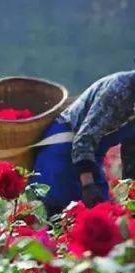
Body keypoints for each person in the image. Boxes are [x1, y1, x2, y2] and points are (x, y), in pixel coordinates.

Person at [33, 70, 135, 215]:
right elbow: (84, 137)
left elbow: (132, 152)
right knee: (65, 217)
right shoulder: (119, 90)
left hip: (90, 158)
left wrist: (131, 196)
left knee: (104, 217)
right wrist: (87, 185)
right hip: (64, 150)